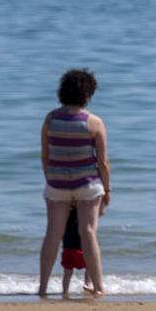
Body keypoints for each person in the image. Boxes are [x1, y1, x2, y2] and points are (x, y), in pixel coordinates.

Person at [38, 68, 110, 297]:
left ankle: (42, 287)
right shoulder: (94, 122)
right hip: (87, 185)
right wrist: (107, 190)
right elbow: (103, 162)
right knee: (88, 232)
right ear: (87, 94)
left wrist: (50, 178)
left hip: (57, 184)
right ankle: (98, 287)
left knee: (53, 233)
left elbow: (45, 154)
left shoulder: (50, 119)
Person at [60, 204, 96, 297]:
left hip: (67, 250)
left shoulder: (64, 219)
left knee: (67, 272)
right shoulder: (83, 220)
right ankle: (87, 283)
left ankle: (65, 291)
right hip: (81, 250)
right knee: (90, 266)